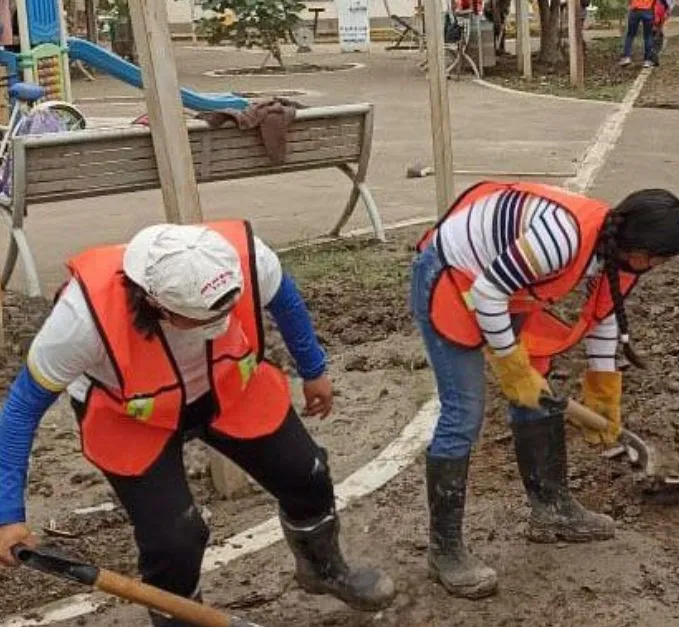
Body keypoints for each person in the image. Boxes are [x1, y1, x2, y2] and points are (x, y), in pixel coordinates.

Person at [0, 222, 396, 625]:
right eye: (203, 319)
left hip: (226, 386)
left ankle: (322, 569)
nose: (222, 324)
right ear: (154, 304)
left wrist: (314, 369)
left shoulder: (247, 259)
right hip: (130, 413)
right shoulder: (80, 321)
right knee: (174, 541)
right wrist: (8, 514)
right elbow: (20, 411)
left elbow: (286, 301)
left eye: (228, 310)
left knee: (307, 474)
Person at [410, 181, 679, 599]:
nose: (658, 267)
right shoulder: (561, 238)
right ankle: (445, 550)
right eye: (658, 260)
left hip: (507, 291)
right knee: (463, 412)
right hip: (451, 277)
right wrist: (510, 364)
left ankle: (552, 511)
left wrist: (603, 387)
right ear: (640, 249)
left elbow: (604, 314)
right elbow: (487, 292)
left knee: (535, 392)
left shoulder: (617, 254)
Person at [620, 0, 664, 68]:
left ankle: (626, 57)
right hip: (647, 12)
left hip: (634, 12)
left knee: (630, 35)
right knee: (647, 36)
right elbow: (663, 1)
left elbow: (633, 1)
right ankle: (647, 61)